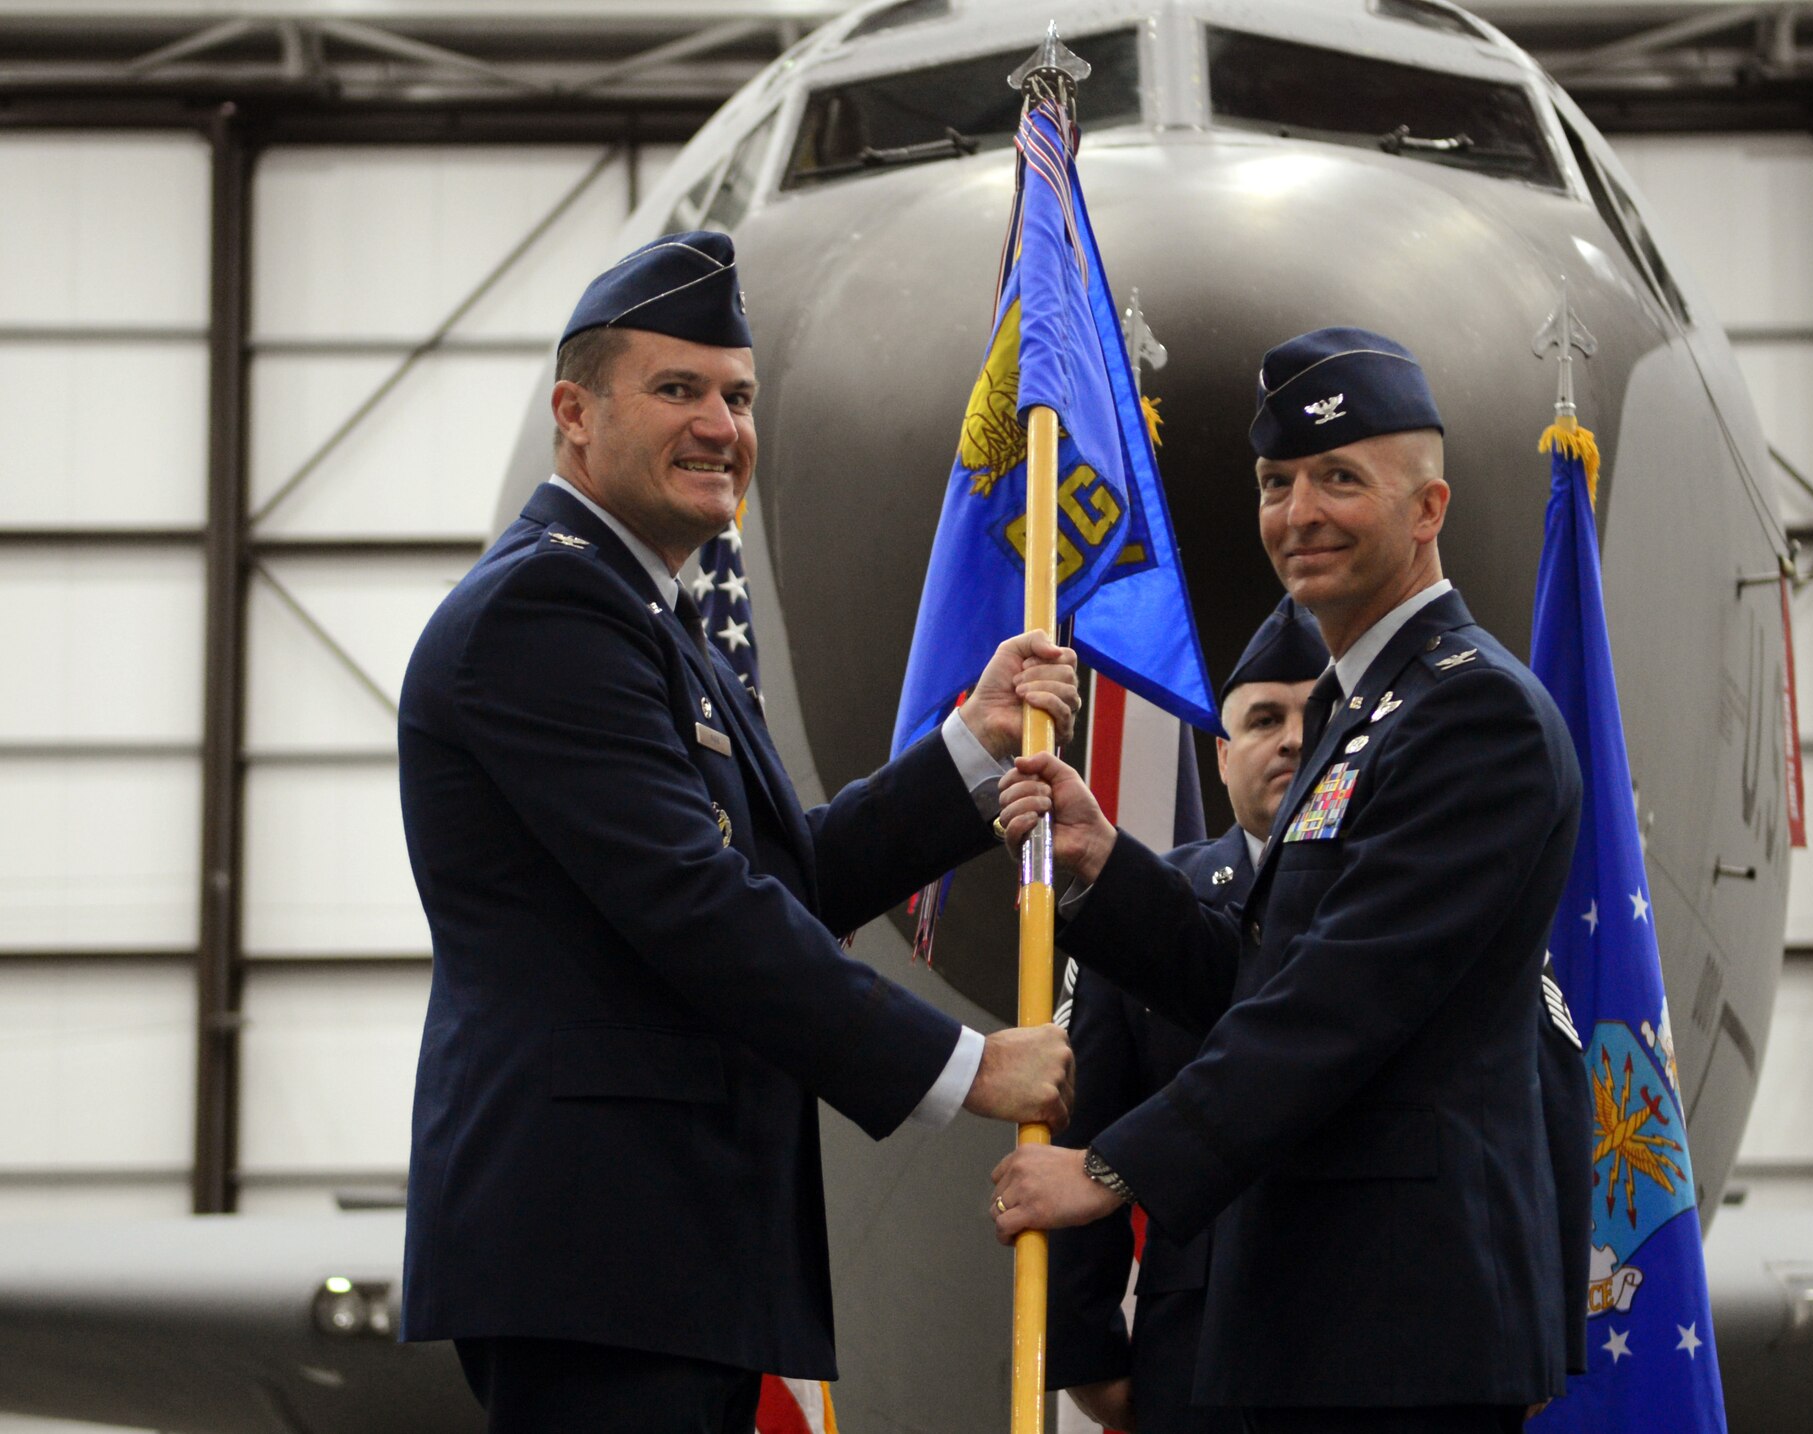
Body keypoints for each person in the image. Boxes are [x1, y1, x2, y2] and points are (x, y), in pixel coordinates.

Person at [397, 231, 1079, 1434]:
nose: (721, 425)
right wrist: (968, 1068)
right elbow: (695, 906)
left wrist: (966, 748)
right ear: (573, 413)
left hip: (668, 1253)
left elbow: (776, 874)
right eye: (676, 391)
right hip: (601, 1256)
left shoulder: (648, 623)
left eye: (738, 397)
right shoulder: (547, 609)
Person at [990, 328, 1589, 1433]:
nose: (1297, 512)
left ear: (1427, 509)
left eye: (1338, 478)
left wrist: (1120, 1169)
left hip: (1396, 1327)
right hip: (1315, 1315)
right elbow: (1262, 978)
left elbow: (1342, 1001)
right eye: (1276, 482)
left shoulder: (1471, 713)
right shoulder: (1359, 714)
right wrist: (1105, 865)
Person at [1049, 599, 1327, 1434]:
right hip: (1195, 1350)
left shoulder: (1411, 885)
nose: (1290, 740)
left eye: (1316, 718)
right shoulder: (1142, 911)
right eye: (1264, 719)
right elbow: (1082, 1122)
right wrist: (1088, 1355)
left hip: (1375, 1326)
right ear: (1221, 751)